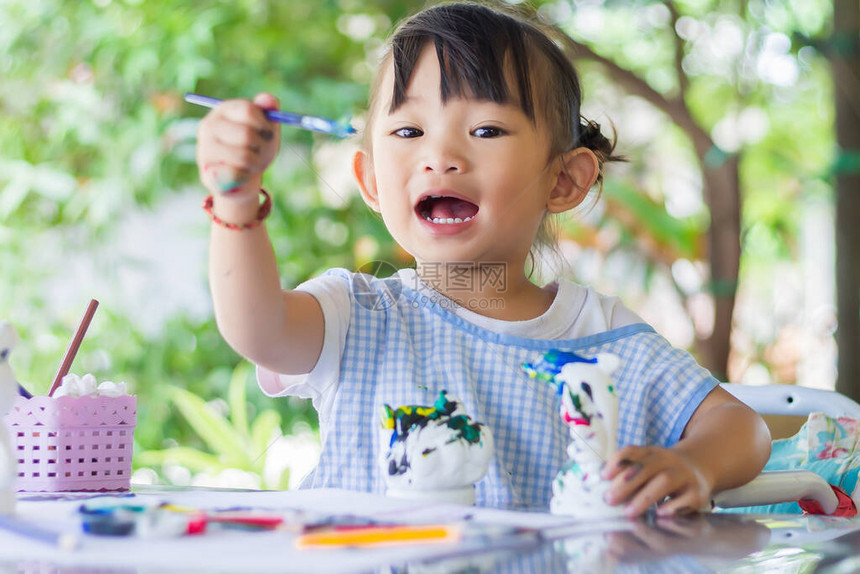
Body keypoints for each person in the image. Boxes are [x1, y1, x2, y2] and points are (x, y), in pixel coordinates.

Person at [194, 1, 771, 515]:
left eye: (487, 129)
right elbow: (257, 328)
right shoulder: (357, 316)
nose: (440, 155)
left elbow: (740, 427)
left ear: (564, 179)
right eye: (410, 130)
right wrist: (237, 201)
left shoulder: (603, 340)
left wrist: (695, 463)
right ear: (371, 181)